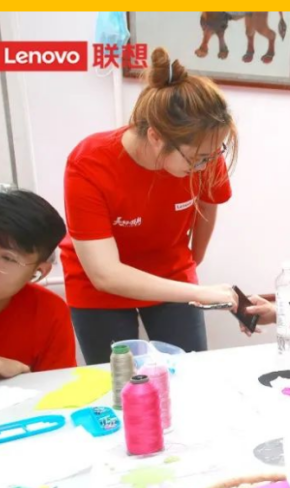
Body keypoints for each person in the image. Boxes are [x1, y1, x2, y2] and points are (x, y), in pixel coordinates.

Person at [61, 47, 238, 364]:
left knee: (189, 369)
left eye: (212, 156)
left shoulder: (204, 151)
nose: (205, 166)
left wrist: (192, 260)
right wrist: (198, 292)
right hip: (100, 287)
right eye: (197, 159)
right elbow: (105, 274)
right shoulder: (89, 162)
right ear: (156, 137)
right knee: (118, 379)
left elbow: (208, 204)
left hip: (171, 273)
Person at [0, 189, 76, 385]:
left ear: (38, 272)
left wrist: (23, 374)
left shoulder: (49, 311)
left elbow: (60, 390)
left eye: (8, 258)